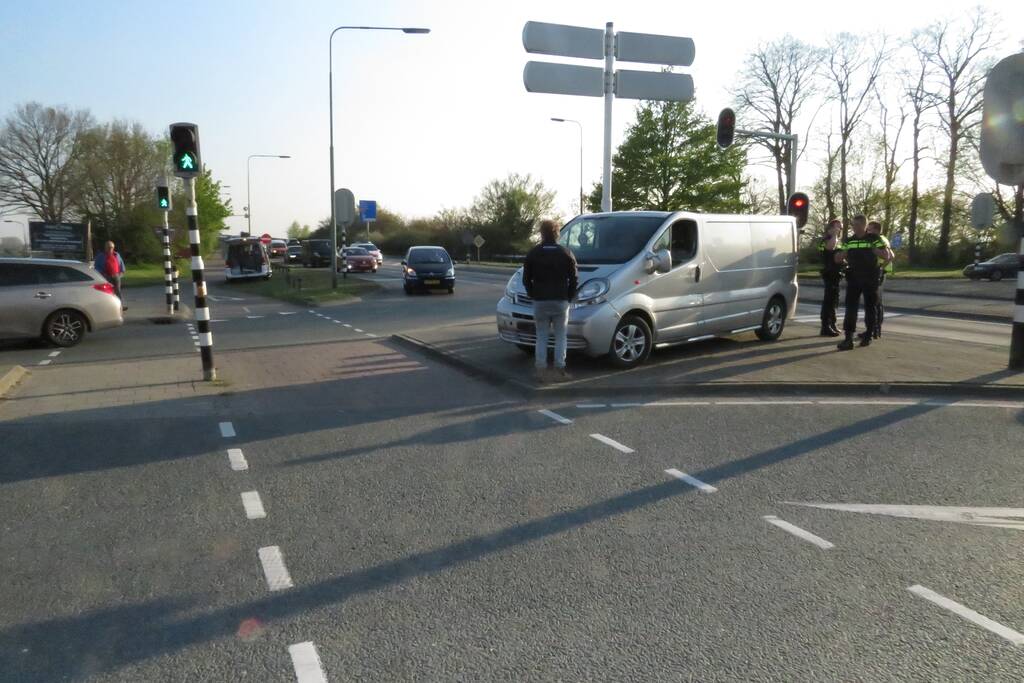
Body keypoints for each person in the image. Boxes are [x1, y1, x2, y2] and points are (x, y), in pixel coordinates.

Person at [522, 219, 578, 381]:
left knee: (542, 336)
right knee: (561, 336)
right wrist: (569, 296)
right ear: (556, 233)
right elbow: (574, 278)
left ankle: (541, 369)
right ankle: (560, 369)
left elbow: (526, 279)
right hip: (560, 300)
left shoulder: (533, 253)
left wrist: (532, 294)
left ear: (542, 233)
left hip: (540, 300)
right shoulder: (566, 253)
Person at [834, 215, 888, 350]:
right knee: (850, 308)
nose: (855, 227)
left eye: (857, 225)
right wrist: (842, 255)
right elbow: (837, 258)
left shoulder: (874, 239)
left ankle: (868, 335)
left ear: (864, 225)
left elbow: (886, 255)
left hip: (870, 277)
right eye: (853, 225)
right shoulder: (848, 241)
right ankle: (848, 339)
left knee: (870, 307)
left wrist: (875, 251)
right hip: (853, 277)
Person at [866, 221, 894, 338]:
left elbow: (890, 255)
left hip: (879, 273)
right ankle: (875, 330)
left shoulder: (879, 239)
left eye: (870, 229)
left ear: (876, 230)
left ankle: (875, 330)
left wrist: (881, 268)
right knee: (877, 302)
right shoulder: (882, 239)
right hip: (880, 272)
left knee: (875, 302)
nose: (867, 231)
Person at [817, 218, 843, 337]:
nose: (839, 229)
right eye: (836, 227)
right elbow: (829, 249)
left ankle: (832, 323)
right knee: (828, 300)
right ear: (830, 228)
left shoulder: (838, 240)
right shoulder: (827, 240)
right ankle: (825, 326)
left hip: (837, 273)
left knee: (834, 300)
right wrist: (833, 236)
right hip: (829, 272)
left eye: (840, 227)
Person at [94, 240, 127, 311]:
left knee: (118, 291)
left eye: (111, 247)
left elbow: (121, 265)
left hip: (116, 276)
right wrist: (103, 275)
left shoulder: (117, 255)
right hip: (106, 277)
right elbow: (96, 268)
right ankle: (108, 307)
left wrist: (120, 274)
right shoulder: (100, 256)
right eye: (108, 247)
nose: (110, 249)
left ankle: (120, 306)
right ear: (105, 248)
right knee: (108, 292)